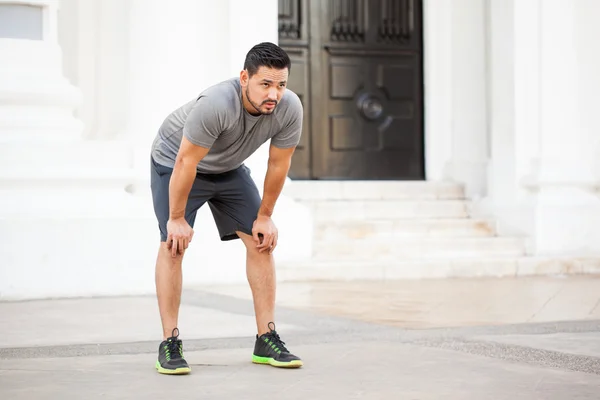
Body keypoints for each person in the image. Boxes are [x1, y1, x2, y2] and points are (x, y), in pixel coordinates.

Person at [149, 42, 303, 375]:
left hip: (227, 168)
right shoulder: (217, 103)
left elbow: (279, 165)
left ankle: (267, 337)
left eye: (281, 85)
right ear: (244, 77)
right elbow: (186, 160)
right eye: (265, 84)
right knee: (173, 245)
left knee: (261, 240)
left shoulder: (289, 108)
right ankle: (169, 342)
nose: (274, 94)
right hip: (176, 162)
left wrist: (265, 216)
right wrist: (176, 219)